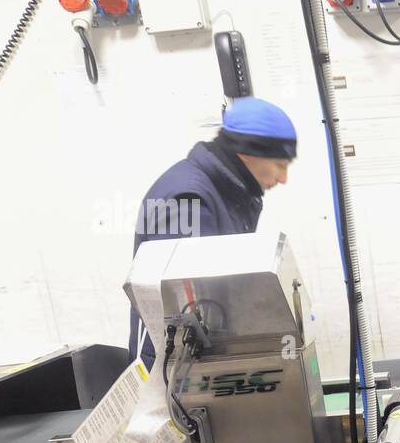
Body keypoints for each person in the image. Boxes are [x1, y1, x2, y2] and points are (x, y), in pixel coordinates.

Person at [126, 97, 296, 367]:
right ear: (249, 153)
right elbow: (182, 311)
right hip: (174, 373)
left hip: (198, 364)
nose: (283, 178)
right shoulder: (188, 199)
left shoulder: (228, 193)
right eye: (280, 165)